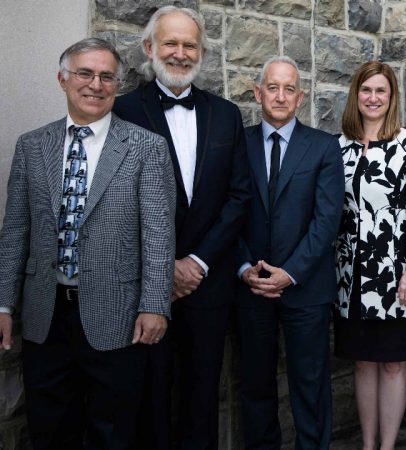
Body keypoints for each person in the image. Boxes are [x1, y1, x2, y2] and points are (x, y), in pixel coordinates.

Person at [0, 37, 175, 449]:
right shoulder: (31, 146)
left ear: (116, 85)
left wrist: (154, 304)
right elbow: (14, 232)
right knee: (48, 428)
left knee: (113, 431)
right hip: (45, 316)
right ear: (63, 79)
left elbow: (158, 233)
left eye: (106, 76)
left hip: (119, 317)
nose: (95, 84)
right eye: (85, 73)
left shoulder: (146, 148)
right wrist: (4, 303)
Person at [113, 6, 250, 449]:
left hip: (207, 285)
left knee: (202, 397)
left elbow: (238, 197)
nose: (179, 52)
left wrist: (197, 261)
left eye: (189, 44)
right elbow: (116, 201)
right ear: (150, 48)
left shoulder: (227, 115)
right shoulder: (122, 111)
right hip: (146, 287)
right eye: (170, 43)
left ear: (201, 53)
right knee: (147, 398)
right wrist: (164, 266)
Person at [236, 56, 345, 450]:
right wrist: (245, 267)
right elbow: (229, 210)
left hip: (306, 288)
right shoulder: (238, 143)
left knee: (310, 384)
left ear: (300, 97)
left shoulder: (324, 147)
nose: (280, 96)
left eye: (289, 89)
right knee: (255, 383)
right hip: (250, 288)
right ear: (258, 92)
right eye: (272, 87)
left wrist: (290, 272)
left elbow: (327, 219)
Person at [334, 61, 406, 450]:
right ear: (355, 95)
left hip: (398, 274)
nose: (373, 98)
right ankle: (367, 443)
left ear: (391, 98)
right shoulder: (337, 146)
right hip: (350, 276)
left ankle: (387, 446)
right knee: (362, 362)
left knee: (393, 362)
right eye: (366, 90)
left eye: (381, 91)